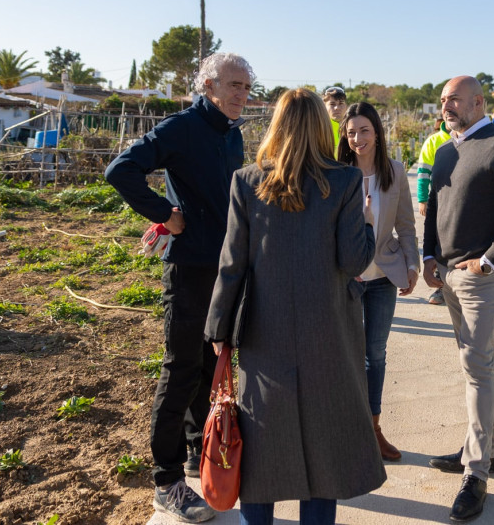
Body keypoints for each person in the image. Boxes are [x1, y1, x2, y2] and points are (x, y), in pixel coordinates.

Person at [203, 88, 384, 525]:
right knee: (324, 453)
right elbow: (354, 260)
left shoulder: (246, 182)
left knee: (262, 450)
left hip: (266, 334)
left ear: (277, 127)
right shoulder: (344, 181)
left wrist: (218, 330)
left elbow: (232, 265)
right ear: (323, 126)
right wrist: (368, 224)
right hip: (330, 335)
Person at [105, 52, 254, 523]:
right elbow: (120, 170)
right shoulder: (181, 127)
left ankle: (197, 450)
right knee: (182, 368)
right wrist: (164, 214)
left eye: (247, 87)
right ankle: (166, 480)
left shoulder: (233, 135)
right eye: (233, 85)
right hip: (190, 269)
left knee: (212, 365)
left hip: (225, 269)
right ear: (208, 86)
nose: (241, 94)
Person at [422, 76, 494, 523]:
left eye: (455, 99)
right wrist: (431, 255)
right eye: (444, 100)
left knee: (476, 367)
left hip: (482, 278)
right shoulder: (445, 150)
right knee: (484, 361)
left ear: (478, 102)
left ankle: (475, 474)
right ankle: (485, 450)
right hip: (449, 274)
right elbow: (435, 206)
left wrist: (489, 261)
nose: (447, 105)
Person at [337, 102, 421, 461]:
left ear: (377, 132)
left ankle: (373, 429)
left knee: (376, 354)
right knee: (346, 354)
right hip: (346, 278)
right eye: (351, 132)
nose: (357, 138)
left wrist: (412, 263)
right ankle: (347, 430)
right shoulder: (337, 173)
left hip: (384, 276)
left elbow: (405, 224)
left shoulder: (395, 171)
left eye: (364, 131)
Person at [415, 119, 453, 305]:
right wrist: (422, 199)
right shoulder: (433, 141)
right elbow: (423, 172)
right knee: (438, 240)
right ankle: (440, 285)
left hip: (464, 203)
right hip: (438, 201)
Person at [322, 86, 347, 155]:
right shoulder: (319, 130)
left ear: (346, 106)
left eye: (341, 103)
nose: (337, 108)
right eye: (332, 104)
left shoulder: (354, 128)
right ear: (324, 107)